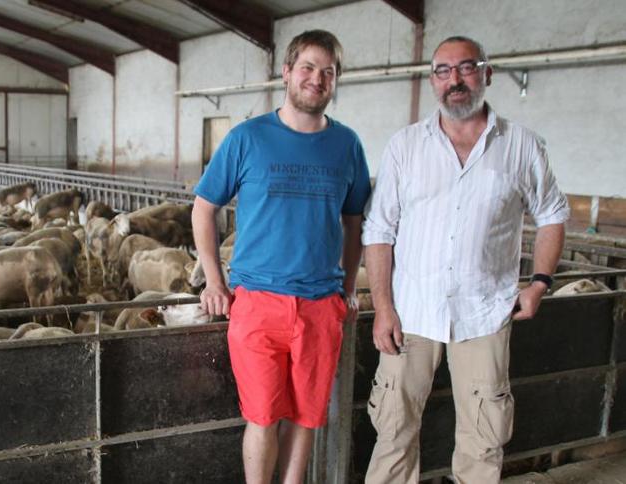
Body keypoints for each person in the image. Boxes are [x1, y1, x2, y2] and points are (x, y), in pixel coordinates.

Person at [362, 36, 569, 483]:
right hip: (411, 312)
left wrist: (539, 283)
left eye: (466, 68)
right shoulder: (406, 146)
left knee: (484, 436)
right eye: (442, 70)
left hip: (484, 312)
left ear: (487, 74)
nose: (454, 80)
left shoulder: (521, 145)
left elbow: (553, 215)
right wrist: (382, 307)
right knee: (394, 428)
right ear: (432, 80)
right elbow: (379, 230)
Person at [191, 29, 372, 484]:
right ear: (287, 72)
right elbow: (204, 208)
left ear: (335, 82)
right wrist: (214, 281)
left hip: (319, 305)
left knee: (308, 416)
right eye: (308, 68)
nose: (317, 79)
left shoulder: (347, 145)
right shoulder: (247, 138)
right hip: (256, 303)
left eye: (327, 72)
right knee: (262, 415)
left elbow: (355, 222)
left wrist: (348, 288)